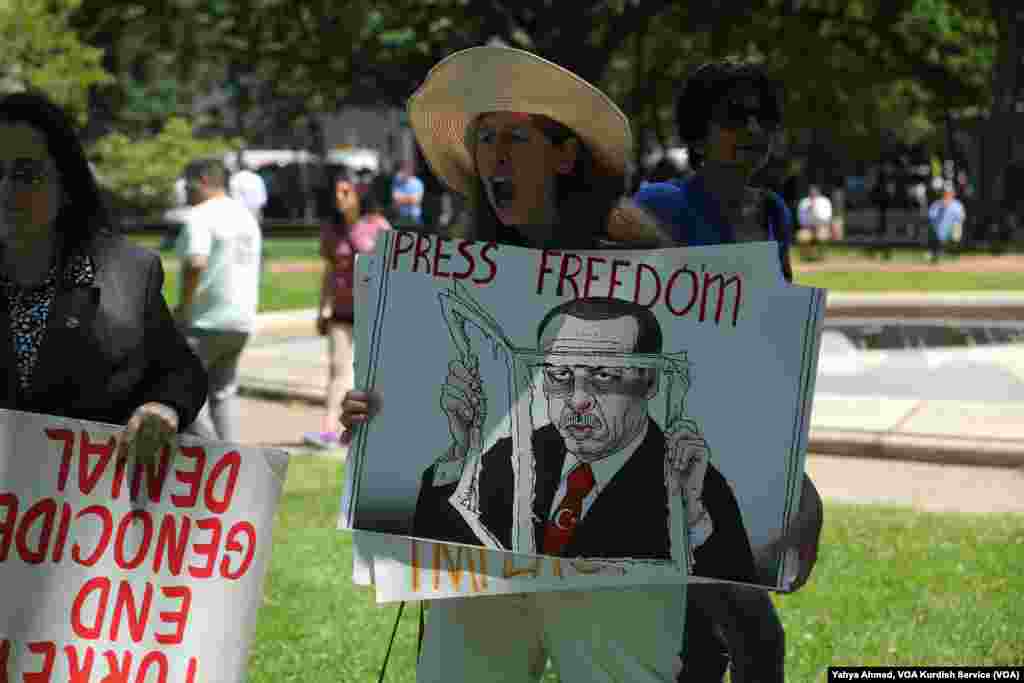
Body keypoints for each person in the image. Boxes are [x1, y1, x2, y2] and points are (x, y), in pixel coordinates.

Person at [342, 45, 691, 683]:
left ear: (565, 153)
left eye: (514, 136)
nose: (495, 155)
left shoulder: (648, 268)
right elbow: (425, 434)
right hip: (476, 560)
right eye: (484, 139)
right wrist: (374, 417)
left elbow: (716, 399)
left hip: (618, 564)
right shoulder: (447, 274)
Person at [633, 58, 823, 683]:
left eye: (762, 117)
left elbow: (774, 335)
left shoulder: (772, 211)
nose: (753, 130)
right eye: (732, 117)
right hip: (664, 454)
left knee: (700, 647)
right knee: (756, 638)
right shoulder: (658, 205)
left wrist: (790, 468)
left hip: (739, 451)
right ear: (696, 132)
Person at [414, 295, 758, 583]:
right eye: (560, 375)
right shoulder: (509, 456)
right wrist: (462, 451)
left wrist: (693, 519)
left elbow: (733, 615)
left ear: (649, 381)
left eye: (604, 375)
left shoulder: (694, 482)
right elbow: (435, 569)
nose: (578, 399)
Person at [0, 91, 207, 460]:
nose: (4, 190)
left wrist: (164, 408)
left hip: (83, 509)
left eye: (25, 174)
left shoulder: (127, 273)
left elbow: (180, 372)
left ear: (65, 187)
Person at [175, 158, 262, 444]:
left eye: (186, 183)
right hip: (241, 320)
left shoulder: (200, 215)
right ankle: (232, 460)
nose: (183, 190)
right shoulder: (245, 216)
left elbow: (196, 262)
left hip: (205, 319)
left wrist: (184, 306)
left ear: (201, 180)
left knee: (184, 394)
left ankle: (212, 459)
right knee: (223, 394)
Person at [303, 177, 390, 449]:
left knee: (373, 373)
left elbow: (391, 268)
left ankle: (375, 432)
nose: (339, 197)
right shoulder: (331, 229)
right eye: (337, 192)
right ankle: (329, 430)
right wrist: (322, 310)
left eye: (346, 192)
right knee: (337, 369)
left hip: (373, 311)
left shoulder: (378, 227)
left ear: (360, 195)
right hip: (341, 312)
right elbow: (329, 272)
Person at [927, 184, 965, 263]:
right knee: (931, 229)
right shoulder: (937, 204)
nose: (947, 194)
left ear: (953, 194)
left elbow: (961, 218)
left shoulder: (957, 205)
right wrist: (942, 208)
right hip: (939, 234)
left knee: (957, 226)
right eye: (946, 193)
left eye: (949, 193)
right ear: (942, 193)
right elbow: (931, 217)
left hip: (951, 234)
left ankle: (952, 252)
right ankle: (936, 253)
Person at [228, 156, 269, 224]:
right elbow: (263, 198)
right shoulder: (257, 177)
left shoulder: (235, 178)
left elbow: (234, 196)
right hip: (256, 209)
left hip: (241, 211)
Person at [797, 184, 833, 260]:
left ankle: (821, 256)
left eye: (814, 191)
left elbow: (827, 218)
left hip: (821, 227)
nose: (813, 193)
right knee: (802, 237)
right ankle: (807, 256)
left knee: (822, 237)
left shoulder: (825, 201)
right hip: (808, 228)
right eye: (811, 191)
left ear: (818, 191)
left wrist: (815, 211)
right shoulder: (804, 202)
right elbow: (801, 219)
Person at [391, 159, 425, 227]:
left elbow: (415, 201)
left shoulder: (417, 183)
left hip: (414, 218)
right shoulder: (397, 181)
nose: (402, 172)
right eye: (402, 169)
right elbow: (395, 199)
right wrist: (409, 199)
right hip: (401, 217)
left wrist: (402, 199)